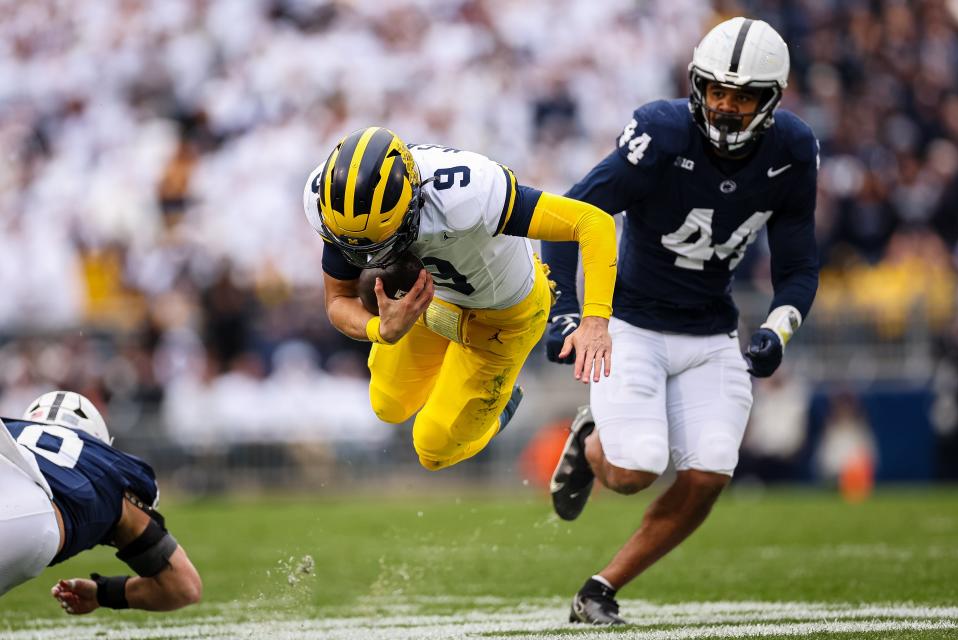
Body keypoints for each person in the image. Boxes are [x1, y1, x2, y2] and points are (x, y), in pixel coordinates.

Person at [542, 17, 819, 624]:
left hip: (712, 331)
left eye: (741, 95)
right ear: (696, 84)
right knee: (635, 469)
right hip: (632, 323)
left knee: (712, 471)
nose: (723, 106)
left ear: (770, 100)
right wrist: (564, 315)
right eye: (715, 90)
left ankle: (599, 590)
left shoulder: (793, 151)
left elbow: (798, 267)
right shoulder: (662, 133)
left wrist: (778, 328)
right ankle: (590, 443)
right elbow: (567, 216)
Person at [303, 127, 618, 471]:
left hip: (503, 317)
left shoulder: (470, 195)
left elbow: (592, 222)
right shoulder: (336, 202)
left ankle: (501, 406)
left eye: (382, 241)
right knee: (387, 404)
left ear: (412, 201)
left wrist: (595, 320)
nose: (371, 258)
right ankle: (468, 393)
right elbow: (338, 299)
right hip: (432, 301)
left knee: (432, 448)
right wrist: (380, 328)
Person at [0, 391, 202, 613]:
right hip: (32, 516)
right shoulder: (111, 470)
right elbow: (183, 587)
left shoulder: (12, 429)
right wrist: (103, 593)